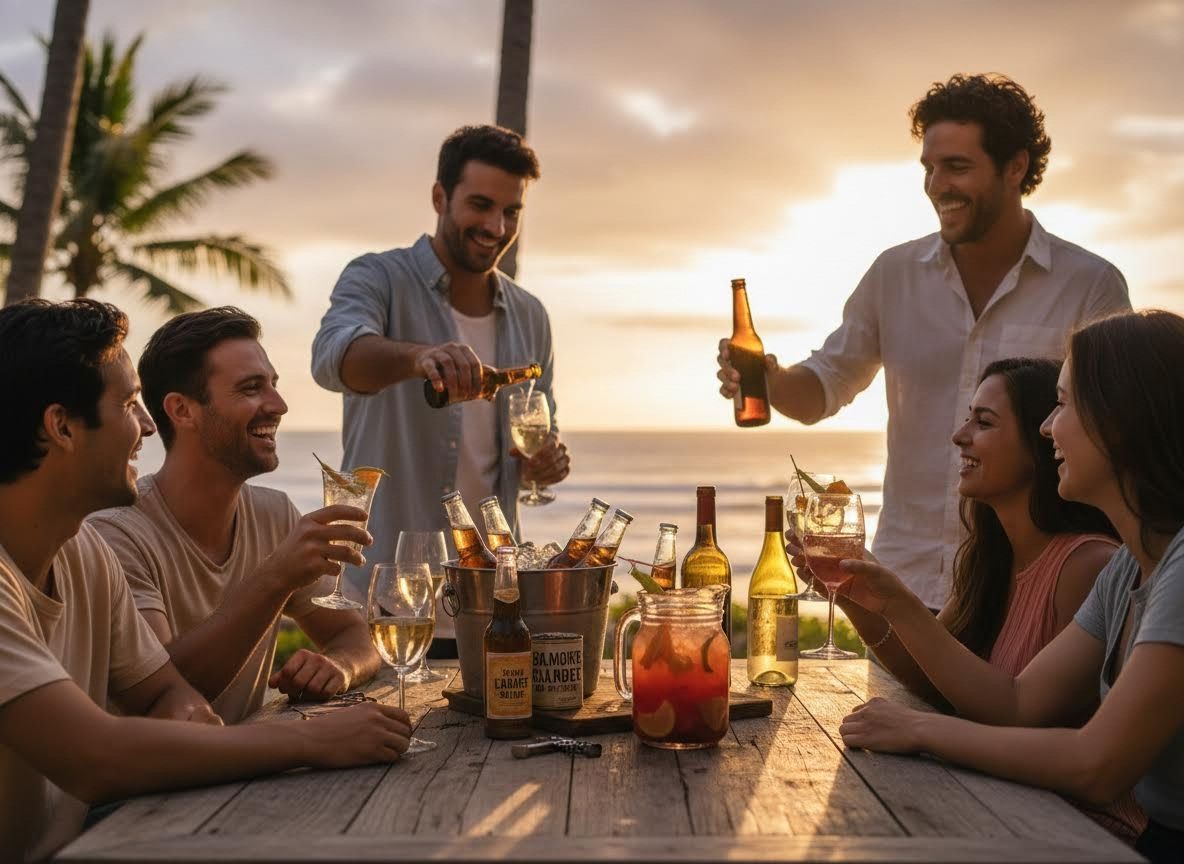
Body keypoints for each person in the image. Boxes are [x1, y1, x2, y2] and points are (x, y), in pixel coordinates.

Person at [0, 300, 409, 864]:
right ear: (62, 427)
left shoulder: (82, 552)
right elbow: (97, 756)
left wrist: (189, 715)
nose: (146, 426)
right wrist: (313, 738)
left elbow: (167, 689)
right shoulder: (103, 539)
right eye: (127, 404)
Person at [717, 73, 1131, 609]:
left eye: (957, 166)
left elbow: (1115, 439)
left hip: (1036, 588)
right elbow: (822, 389)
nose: (937, 185)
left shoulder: (1090, 285)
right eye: (929, 168)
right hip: (903, 583)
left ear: (1016, 167)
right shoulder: (894, 274)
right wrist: (768, 380)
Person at [836, 311, 1184, 863]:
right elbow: (1019, 702)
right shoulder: (1130, 568)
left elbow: (1096, 766)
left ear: (1119, 421)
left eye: (1064, 405)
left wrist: (921, 730)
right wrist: (891, 603)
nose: (1050, 428)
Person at [793, 357, 1143, 840]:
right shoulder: (992, 558)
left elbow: (1016, 714)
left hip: (1075, 829)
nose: (960, 436)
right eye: (967, 418)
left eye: (984, 422)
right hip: (997, 805)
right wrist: (857, 597)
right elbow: (935, 681)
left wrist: (901, 606)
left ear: (1040, 446)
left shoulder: (1088, 565)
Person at [311, 124, 571, 650]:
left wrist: (544, 464)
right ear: (439, 197)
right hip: (386, 607)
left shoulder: (531, 315)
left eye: (511, 212)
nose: (496, 226)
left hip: (492, 609)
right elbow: (333, 358)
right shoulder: (377, 278)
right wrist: (418, 357)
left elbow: (535, 436)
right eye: (480, 205)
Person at [91, 308, 380, 724]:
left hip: (247, 782)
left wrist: (339, 666)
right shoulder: (116, 534)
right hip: (154, 786)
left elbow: (353, 635)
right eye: (251, 389)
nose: (278, 405)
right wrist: (276, 578)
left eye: (274, 386)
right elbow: (166, 696)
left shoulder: (274, 513)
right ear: (182, 410)